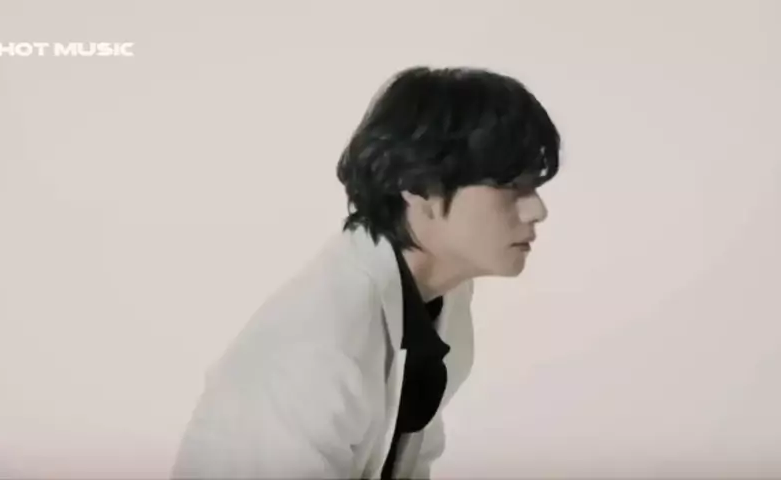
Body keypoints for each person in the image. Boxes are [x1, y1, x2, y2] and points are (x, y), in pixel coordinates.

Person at [170, 65, 561, 479]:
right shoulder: (318, 344)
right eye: (511, 186)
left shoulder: (443, 295)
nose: (537, 210)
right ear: (421, 188)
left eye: (535, 186)